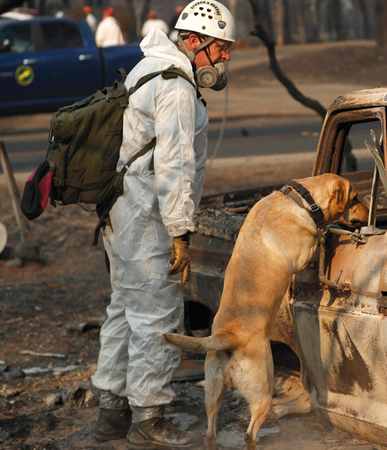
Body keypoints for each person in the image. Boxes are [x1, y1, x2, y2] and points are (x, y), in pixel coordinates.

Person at [90, 1, 234, 448]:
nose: (226, 57)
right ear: (193, 41)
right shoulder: (175, 87)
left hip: (122, 210)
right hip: (147, 217)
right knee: (158, 315)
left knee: (125, 308)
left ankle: (112, 411)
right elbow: (174, 166)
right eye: (220, 48)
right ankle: (148, 418)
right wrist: (180, 232)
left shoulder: (150, 67)